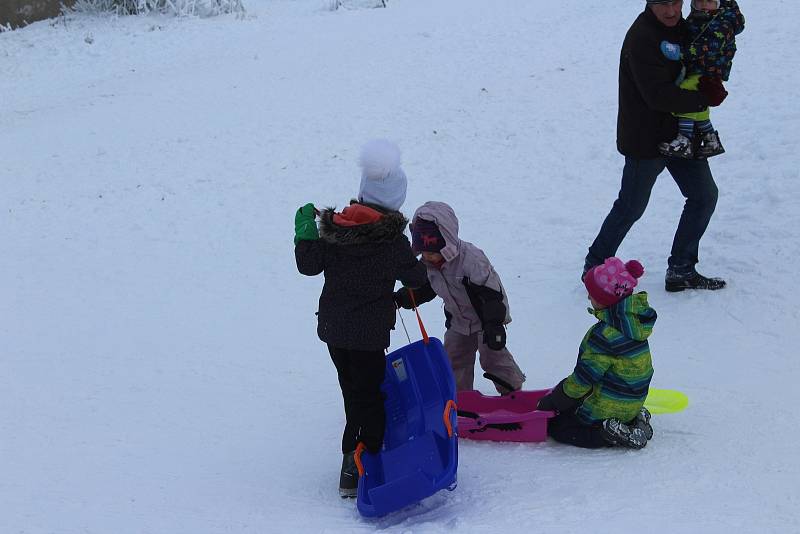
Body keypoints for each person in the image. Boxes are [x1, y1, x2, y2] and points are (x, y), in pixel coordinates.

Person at [294, 139, 427, 498]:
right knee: (368, 395)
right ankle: (361, 461)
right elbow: (417, 280)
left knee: (352, 389)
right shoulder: (392, 243)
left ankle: (355, 452)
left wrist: (305, 235)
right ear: (396, 202)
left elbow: (309, 266)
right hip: (368, 334)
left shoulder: (336, 230)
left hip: (334, 330)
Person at [584, 0, 727, 292]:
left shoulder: (684, 28)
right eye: (663, 4)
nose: (672, 11)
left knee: (704, 196)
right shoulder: (642, 37)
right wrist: (702, 100)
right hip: (646, 139)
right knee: (631, 207)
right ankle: (594, 268)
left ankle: (681, 269)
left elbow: (700, 61)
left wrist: (711, 77)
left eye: (676, 2)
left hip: (681, 138)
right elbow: (658, 96)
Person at [394, 201, 526, 395]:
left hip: (486, 320)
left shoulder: (471, 260)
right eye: (424, 253)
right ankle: (461, 396)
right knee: (454, 357)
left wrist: (494, 324)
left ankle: (512, 391)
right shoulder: (430, 265)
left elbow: (491, 294)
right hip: (458, 321)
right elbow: (426, 288)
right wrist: (404, 298)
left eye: (432, 252)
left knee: (493, 357)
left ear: (446, 243)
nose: (428, 257)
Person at [538, 257, 656, 450]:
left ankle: (606, 433)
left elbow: (584, 379)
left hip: (608, 404)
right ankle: (634, 421)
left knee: (560, 426)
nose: (588, 298)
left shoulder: (605, 335)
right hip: (631, 400)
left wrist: (555, 400)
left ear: (605, 299)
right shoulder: (633, 323)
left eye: (591, 295)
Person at [659, 0, 745, 159]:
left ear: (719, 4)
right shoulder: (697, 18)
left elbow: (708, 47)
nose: (704, 5)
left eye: (710, 1)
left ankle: (685, 139)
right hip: (699, 69)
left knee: (685, 93)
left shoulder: (723, 23)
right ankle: (710, 139)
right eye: (699, 1)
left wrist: (681, 53)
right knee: (699, 107)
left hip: (709, 72)